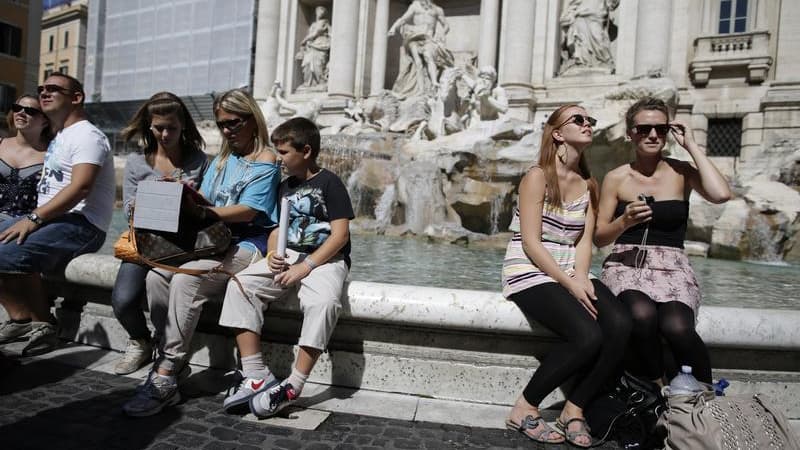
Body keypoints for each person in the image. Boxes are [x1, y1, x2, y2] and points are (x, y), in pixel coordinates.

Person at [122, 89, 280, 417]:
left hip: (246, 244)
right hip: (208, 240)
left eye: (234, 123)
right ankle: (173, 365)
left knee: (185, 281)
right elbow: (203, 197)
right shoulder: (222, 158)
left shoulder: (266, 158)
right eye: (222, 124)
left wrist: (205, 211)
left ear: (252, 119)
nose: (227, 130)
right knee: (156, 277)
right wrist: (180, 194)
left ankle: (166, 373)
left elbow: (250, 211)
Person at [501, 105, 631, 448]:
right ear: (557, 133)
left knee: (619, 324)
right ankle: (524, 407)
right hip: (529, 269)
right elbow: (530, 241)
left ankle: (574, 408)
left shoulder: (589, 183)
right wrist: (570, 282)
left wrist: (583, 276)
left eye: (591, 120)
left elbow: (586, 240)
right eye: (579, 120)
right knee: (587, 335)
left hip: (571, 267)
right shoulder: (537, 176)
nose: (588, 124)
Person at [217, 117, 353, 418]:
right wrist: (273, 251)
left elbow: (340, 235)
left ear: (306, 151)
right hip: (288, 256)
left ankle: (293, 386)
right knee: (239, 285)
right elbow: (280, 227)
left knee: (325, 303)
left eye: (283, 153)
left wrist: (306, 266)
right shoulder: (285, 186)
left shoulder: (330, 183)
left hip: (325, 260)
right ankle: (255, 374)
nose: (277, 159)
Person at [594, 97, 731, 386]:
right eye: (644, 129)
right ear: (630, 133)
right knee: (641, 316)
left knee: (678, 327)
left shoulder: (681, 171)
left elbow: (720, 195)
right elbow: (599, 235)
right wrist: (625, 222)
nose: (653, 135)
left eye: (661, 128)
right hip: (626, 263)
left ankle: (706, 398)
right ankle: (657, 386)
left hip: (673, 265)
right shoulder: (616, 178)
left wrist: (692, 145)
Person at [0, 73, 115, 356]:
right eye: (42, 89)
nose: (44, 93)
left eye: (54, 89)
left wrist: (34, 219)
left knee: (8, 253)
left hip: (83, 224)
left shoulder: (88, 136)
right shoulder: (61, 134)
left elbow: (81, 187)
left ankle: (44, 324)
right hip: (57, 218)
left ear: (76, 98)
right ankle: (20, 319)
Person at [110, 92, 209, 375]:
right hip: (145, 240)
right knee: (123, 300)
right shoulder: (136, 162)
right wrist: (151, 199)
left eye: (172, 128)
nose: (165, 134)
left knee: (164, 288)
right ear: (149, 127)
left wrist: (189, 197)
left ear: (184, 128)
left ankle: (169, 350)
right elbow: (128, 208)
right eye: (158, 128)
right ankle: (140, 341)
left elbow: (207, 204)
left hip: (184, 242)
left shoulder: (198, 160)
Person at [0, 96, 51, 223]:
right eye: (17, 108)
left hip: (24, 226)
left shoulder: (52, 155)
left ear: (45, 121)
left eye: (30, 111)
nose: (21, 113)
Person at [388, 0, 454, 97]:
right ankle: (421, 90)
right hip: (414, 37)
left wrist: (442, 33)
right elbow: (403, 19)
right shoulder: (415, 6)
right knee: (418, 62)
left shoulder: (438, 10)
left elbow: (446, 25)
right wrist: (393, 28)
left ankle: (434, 82)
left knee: (428, 56)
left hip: (428, 38)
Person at [559, 0, 620, 74]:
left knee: (598, 38)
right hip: (581, 15)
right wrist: (570, 14)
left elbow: (612, 5)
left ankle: (604, 61)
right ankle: (581, 62)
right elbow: (573, 4)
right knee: (580, 39)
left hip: (596, 14)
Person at [296, 5, 331, 89]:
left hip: (320, 45)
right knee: (307, 64)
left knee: (318, 64)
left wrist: (304, 40)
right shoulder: (313, 24)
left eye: (322, 11)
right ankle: (307, 83)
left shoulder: (324, 22)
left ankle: (321, 81)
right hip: (311, 47)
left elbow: (316, 33)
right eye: (318, 11)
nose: (320, 13)